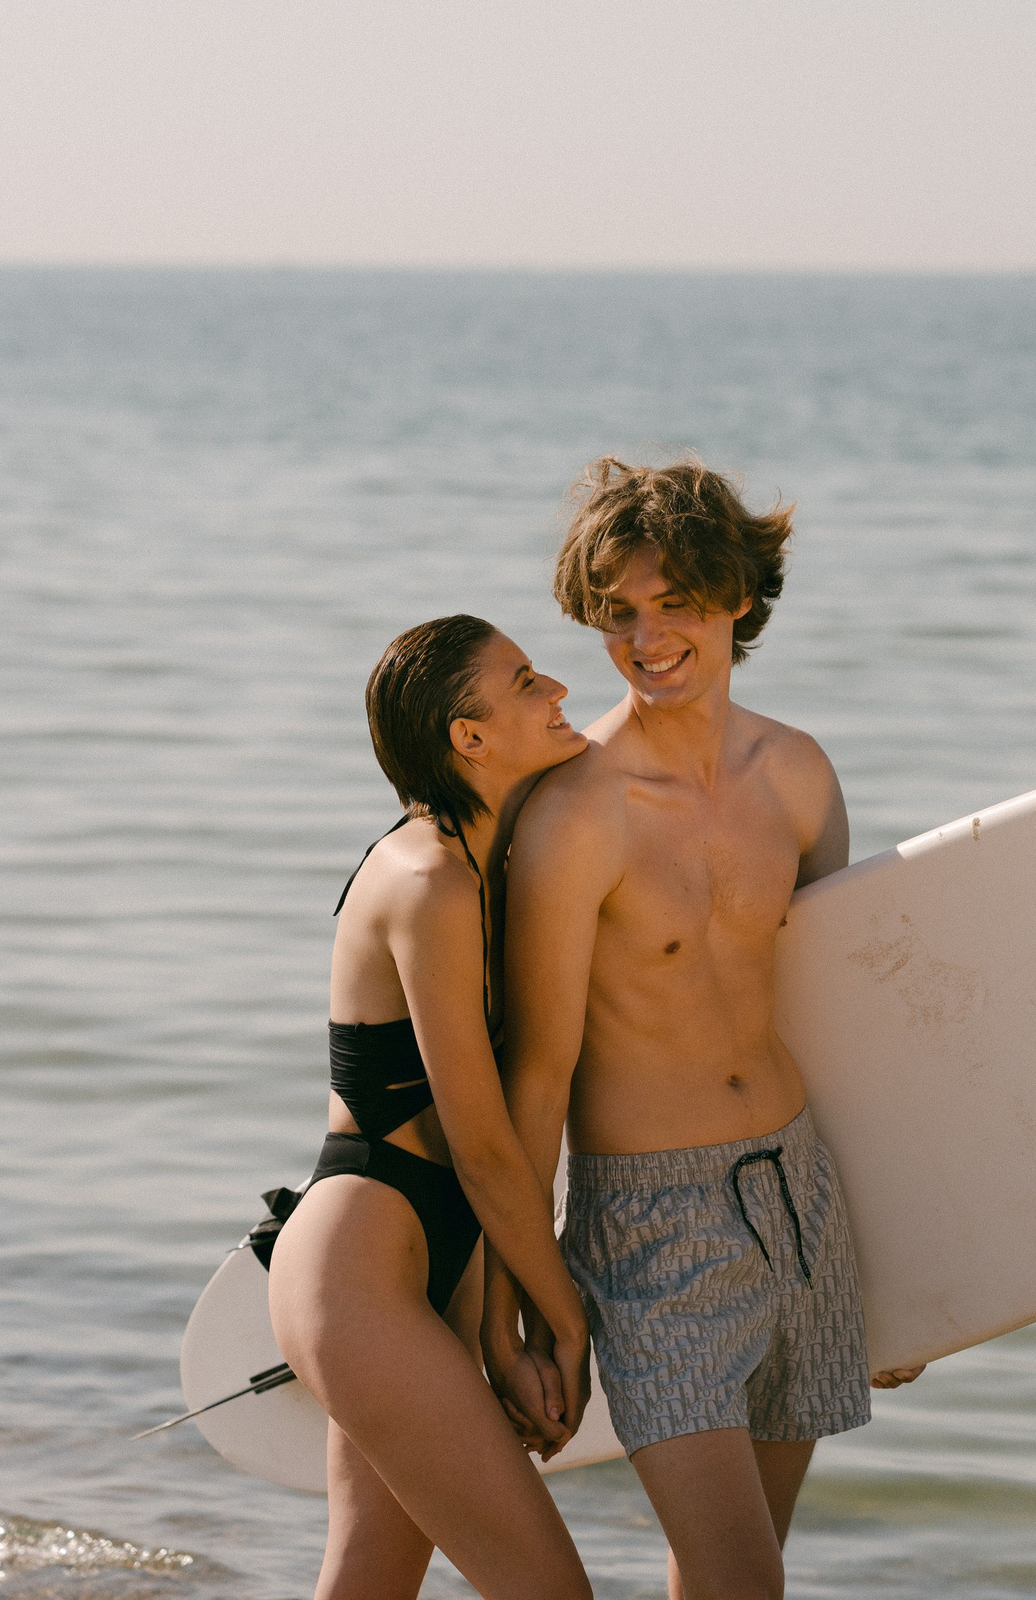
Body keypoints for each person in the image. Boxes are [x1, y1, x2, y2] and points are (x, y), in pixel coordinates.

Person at [494, 457, 921, 1600]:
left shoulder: (796, 775)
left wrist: (916, 1271)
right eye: (620, 613)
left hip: (802, 1194)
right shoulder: (575, 811)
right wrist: (522, 1304)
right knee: (744, 1579)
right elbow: (533, 1080)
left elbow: (845, 1028)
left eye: (673, 602)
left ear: (736, 596)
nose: (645, 638)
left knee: (738, 1570)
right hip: (649, 1218)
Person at [266, 615, 597, 1600]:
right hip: (362, 1267)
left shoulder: (485, 867)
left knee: (368, 1579)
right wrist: (565, 1324)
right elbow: (485, 1149)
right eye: (528, 681)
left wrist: (494, 1318)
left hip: (423, 1262)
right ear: (469, 735)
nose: (558, 693)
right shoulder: (428, 880)